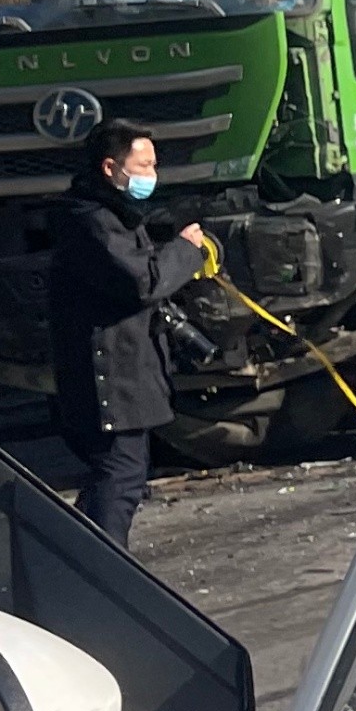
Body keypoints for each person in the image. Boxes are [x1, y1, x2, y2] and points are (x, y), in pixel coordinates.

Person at [49, 123, 211, 547]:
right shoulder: (90, 220)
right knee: (119, 473)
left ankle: (77, 556)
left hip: (125, 369)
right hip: (109, 376)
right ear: (110, 167)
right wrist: (187, 250)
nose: (153, 173)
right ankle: (105, 569)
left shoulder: (110, 214)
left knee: (121, 472)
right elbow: (142, 282)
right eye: (145, 165)